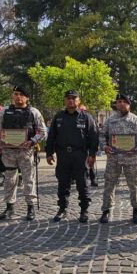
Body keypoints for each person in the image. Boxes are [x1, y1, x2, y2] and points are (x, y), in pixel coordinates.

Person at [45, 90, 98, 223]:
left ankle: (84, 210)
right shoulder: (58, 116)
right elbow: (51, 136)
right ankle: (62, 208)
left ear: (79, 101)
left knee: (82, 184)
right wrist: (49, 153)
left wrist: (92, 154)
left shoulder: (86, 117)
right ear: (65, 100)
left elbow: (93, 136)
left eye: (74, 98)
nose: (71, 100)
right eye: (68, 98)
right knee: (63, 184)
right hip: (63, 155)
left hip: (80, 155)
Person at [0, 86, 47, 221]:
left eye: (21, 94)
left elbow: (43, 132)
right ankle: (9, 207)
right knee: (9, 179)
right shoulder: (4, 112)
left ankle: (31, 208)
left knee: (28, 179)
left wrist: (32, 141)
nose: (18, 97)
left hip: (26, 152)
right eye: (15, 94)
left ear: (27, 97)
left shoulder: (34, 112)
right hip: (8, 153)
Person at [98, 94, 137, 224]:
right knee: (109, 185)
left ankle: (136, 210)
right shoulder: (110, 120)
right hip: (113, 158)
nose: (120, 104)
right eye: (118, 102)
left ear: (129, 104)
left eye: (123, 102)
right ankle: (106, 210)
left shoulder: (136, 120)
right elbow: (102, 135)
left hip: (130, 158)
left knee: (134, 185)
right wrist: (104, 147)